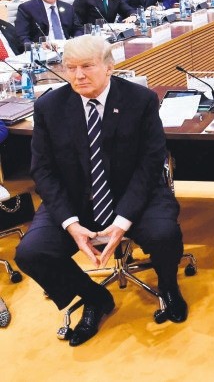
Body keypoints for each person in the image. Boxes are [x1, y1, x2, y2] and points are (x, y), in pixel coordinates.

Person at [15, 35, 188, 346]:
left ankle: (168, 285)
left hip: (136, 194)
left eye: (87, 67)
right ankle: (94, 297)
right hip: (75, 199)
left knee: (164, 234)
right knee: (30, 252)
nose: (78, 75)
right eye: (70, 68)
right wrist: (70, 222)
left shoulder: (141, 100)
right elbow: (42, 170)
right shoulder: (49, 107)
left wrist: (123, 221)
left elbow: (150, 164)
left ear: (110, 68)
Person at [14, 0, 79, 44]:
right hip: (43, 49)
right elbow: (22, 36)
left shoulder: (68, 8)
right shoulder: (26, 8)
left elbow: (78, 29)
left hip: (67, 47)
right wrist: (37, 46)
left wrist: (77, 40)